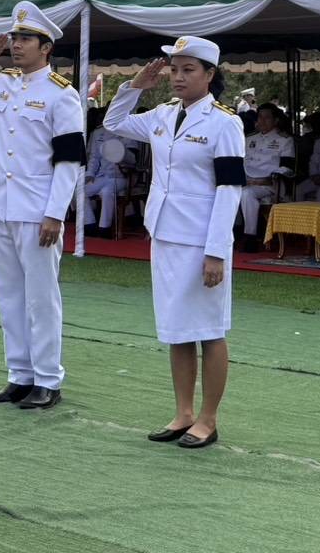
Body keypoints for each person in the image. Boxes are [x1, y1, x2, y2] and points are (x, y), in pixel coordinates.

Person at [104, 35, 244, 450]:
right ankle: (183, 413)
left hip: (201, 240)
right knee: (177, 328)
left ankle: (208, 418)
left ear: (210, 74)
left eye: (188, 70)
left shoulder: (224, 122)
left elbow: (229, 190)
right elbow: (113, 123)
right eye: (174, 70)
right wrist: (135, 87)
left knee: (209, 330)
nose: (178, 77)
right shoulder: (163, 114)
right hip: (165, 233)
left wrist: (216, 251)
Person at [0, 1, 85, 411]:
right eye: (15, 38)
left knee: (41, 297)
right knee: (8, 295)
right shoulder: (1, 83)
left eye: (25, 39)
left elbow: (69, 161)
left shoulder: (62, 94)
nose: (16, 45)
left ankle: (48, 378)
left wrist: (55, 212)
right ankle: (19, 375)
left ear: (46, 47)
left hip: (37, 209)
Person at [239, 103, 294, 251]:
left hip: (269, 185)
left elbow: (287, 168)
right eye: (260, 117)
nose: (262, 121)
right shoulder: (249, 138)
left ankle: (250, 237)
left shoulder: (284, 140)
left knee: (247, 194)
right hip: (245, 181)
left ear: (276, 120)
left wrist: (267, 179)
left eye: (267, 118)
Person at [83, 108, 131, 235]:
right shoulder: (98, 133)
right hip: (101, 175)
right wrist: (90, 174)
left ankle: (104, 228)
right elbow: (94, 157)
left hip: (119, 177)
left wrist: (122, 156)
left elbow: (133, 159)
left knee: (107, 191)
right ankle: (89, 224)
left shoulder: (128, 131)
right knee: (80, 191)